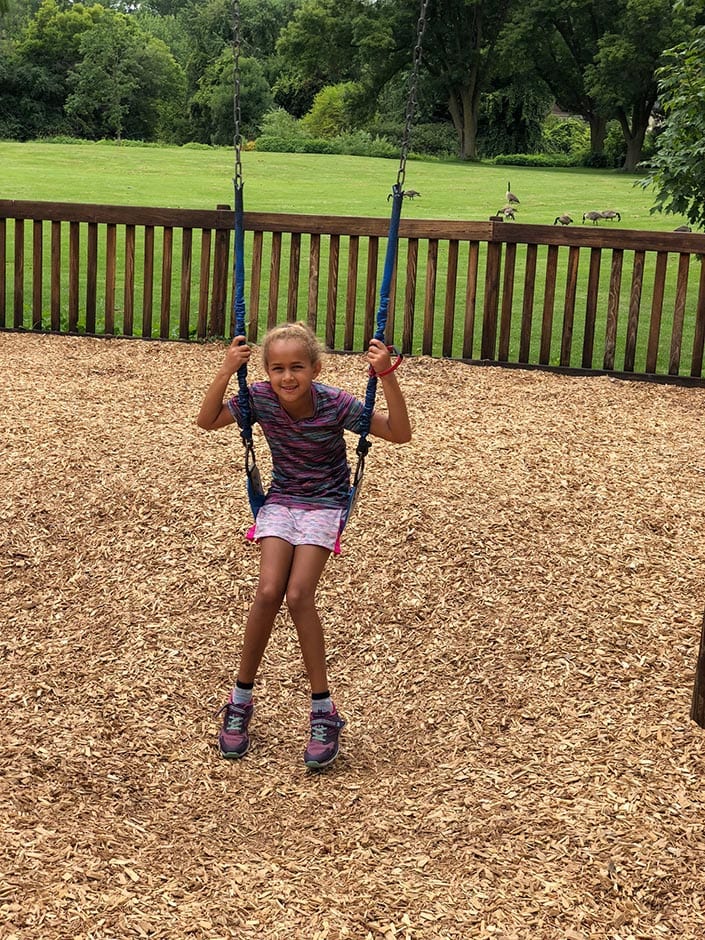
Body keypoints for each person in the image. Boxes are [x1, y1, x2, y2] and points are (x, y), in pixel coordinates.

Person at [197, 322, 411, 769]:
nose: (287, 377)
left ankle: (323, 711)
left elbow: (398, 432)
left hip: (325, 504)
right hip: (281, 500)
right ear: (267, 372)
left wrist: (385, 376)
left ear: (316, 368)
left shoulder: (335, 403)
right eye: (277, 368)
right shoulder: (259, 398)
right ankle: (239, 701)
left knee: (298, 595)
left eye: (297, 367)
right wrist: (226, 370)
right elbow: (207, 420)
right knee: (268, 591)